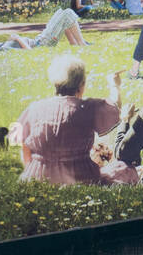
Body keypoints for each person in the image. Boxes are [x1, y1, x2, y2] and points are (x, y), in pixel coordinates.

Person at [13, 55, 128, 185]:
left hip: (38, 176)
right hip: (81, 177)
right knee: (125, 170)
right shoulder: (88, 108)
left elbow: (20, 140)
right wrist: (114, 85)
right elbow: (114, 107)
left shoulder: (34, 108)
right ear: (81, 85)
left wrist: (30, 168)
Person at [0, 7, 88, 52]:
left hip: (40, 38)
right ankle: (81, 44)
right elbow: (29, 51)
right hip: (43, 43)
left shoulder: (3, 45)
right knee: (67, 13)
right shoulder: (3, 48)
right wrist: (18, 38)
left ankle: (75, 43)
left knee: (61, 12)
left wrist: (15, 38)